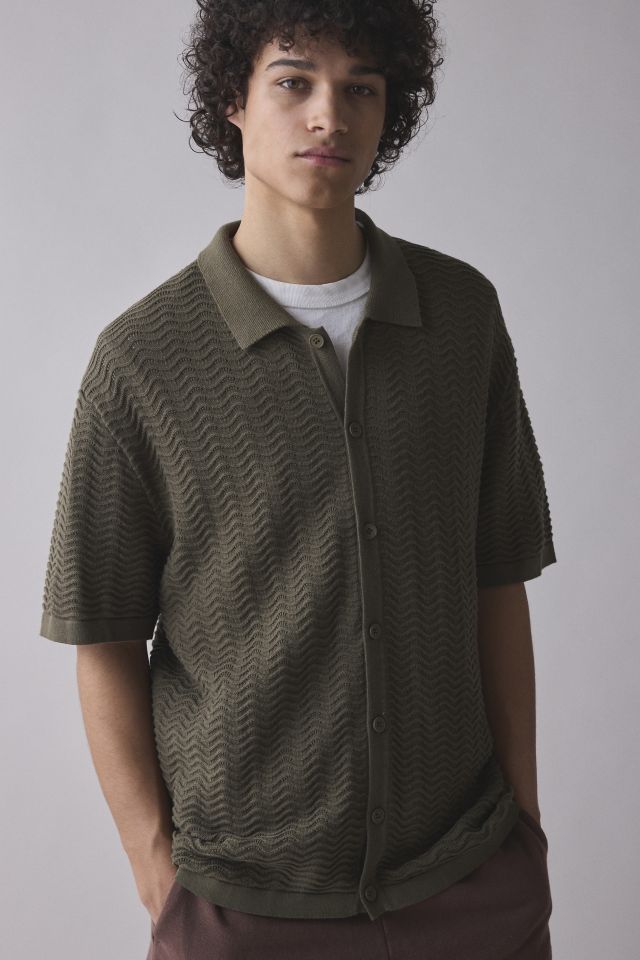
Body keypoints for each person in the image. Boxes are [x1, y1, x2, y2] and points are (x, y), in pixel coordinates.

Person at [39, 2, 557, 957]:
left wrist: (526, 829)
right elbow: (101, 634)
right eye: (294, 81)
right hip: (242, 908)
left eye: (361, 87)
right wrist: (160, 879)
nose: (330, 115)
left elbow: (497, 580)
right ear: (231, 100)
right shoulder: (142, 360)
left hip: (471, 881)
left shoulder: (463, 316)